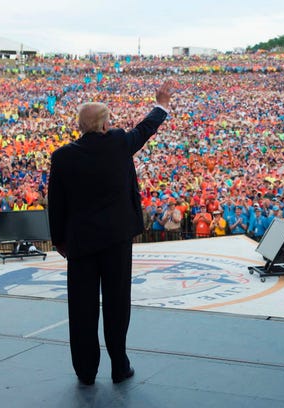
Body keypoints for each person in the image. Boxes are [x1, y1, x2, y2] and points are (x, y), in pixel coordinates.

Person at [47, 82, 173, 385]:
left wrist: (59, 241)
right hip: (116, 241)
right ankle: (119, 366)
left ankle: (86, 371)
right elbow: (145, 129)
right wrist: (162, 104)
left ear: (80, 126)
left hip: (79, 243)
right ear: (104, 124)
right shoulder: (118, 142)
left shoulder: (62, 156)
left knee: (81, 309)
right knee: (117, 304)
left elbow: (56, 204)